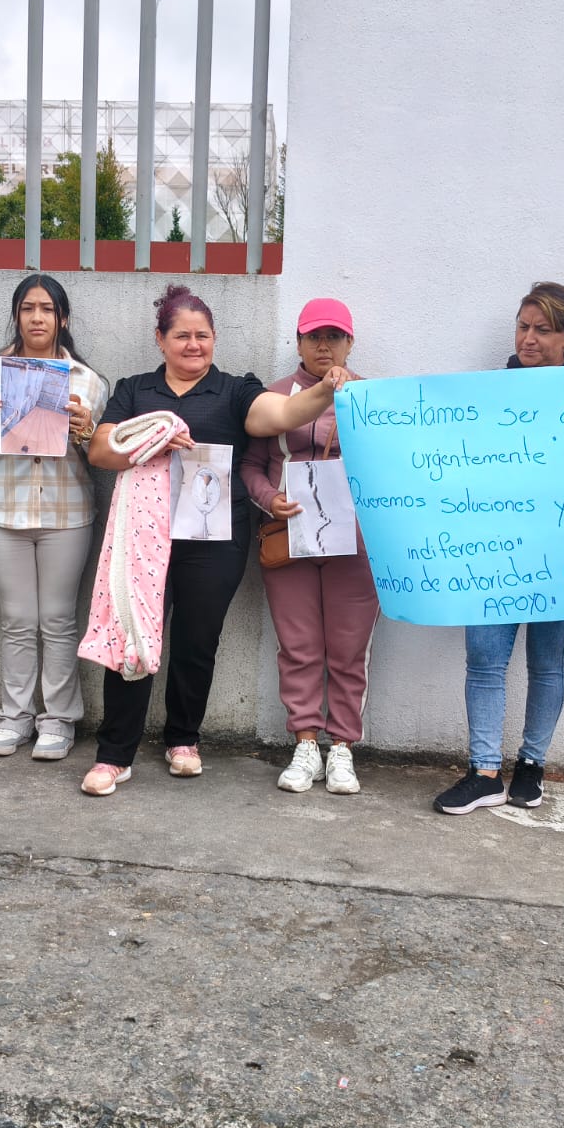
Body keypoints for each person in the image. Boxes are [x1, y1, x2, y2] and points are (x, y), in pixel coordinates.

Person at [79, 284, 354, 797]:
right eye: (181, 336)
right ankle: (114, 755)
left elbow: (279, 415)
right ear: (160, 340)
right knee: (133, 636)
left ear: (214, 339)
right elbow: (101, 450)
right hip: (143, 539)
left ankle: (183, 740)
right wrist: (154, 437)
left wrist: (324, 389)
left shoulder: (234, 390)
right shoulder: (135, 390)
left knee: (197, 642)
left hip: (214, 540)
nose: (193, 345)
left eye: (202, 336)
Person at [434, 282, 564, 816]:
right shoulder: (491, 393)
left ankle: (531, 766)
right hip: (494, 549)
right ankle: (483, 773)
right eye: (522, 327)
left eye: (542, 330)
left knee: (547, 662)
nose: (528, 339)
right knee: (484, 659)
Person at [0, 274, 107, 760]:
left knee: (58, 620)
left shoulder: (87, 381)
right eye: (27, 308)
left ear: (63, 318)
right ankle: (15, 717)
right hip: (4, 510)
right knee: (17, 620)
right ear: (16, 315)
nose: (37, 318)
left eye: (47, 309)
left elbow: (101, 453)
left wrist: (86, 431)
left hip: (66, 512)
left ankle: (58, 720)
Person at [241, 298, 380, 795]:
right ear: (298, 342)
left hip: (354, 543)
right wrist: (268, 499)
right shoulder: (274, 398)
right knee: (298, 646)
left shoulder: (373, 398)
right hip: (289, 537)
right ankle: (305, 744)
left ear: (350, 342)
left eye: (334, 336)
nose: (325, 345)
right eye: (314, 336)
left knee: (348, 649)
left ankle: (342, 747)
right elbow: (250, 466)